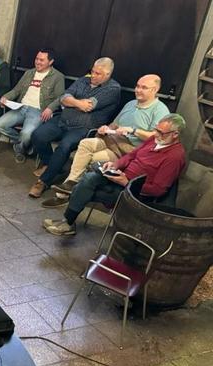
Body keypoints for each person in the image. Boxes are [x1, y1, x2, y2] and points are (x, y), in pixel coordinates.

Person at [43, 114, 186, 236]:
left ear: (175, 134)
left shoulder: (174, 157)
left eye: (162, 133)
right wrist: (115, 165)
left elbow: (158, 190)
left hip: (134, 192)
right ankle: (68, 221)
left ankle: (68, 222)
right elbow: (131, 155)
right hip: (121, 177)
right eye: (156, 130)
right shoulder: (154, 140)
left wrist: (126, 182)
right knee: (90, 177)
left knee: (83, 189)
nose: (157, 134)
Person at [44, 74, 170, 207]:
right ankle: (70, 186)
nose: (138, 90)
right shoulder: (131, 104)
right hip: (113, 142)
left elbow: (157, 138)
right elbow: (114, 125)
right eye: (137, 86)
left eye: (144, 87)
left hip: (130, 152)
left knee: (93, 158)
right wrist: (105, 128)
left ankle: (68, 195)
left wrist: (133, 131)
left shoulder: (160, 111)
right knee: (85, 143)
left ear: (155, 90)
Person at [29, 57, 121, 198]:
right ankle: (51, 164)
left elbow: (89, 105)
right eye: (93, 72)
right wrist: (78, 103)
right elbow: (63, 98)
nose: (93, 76)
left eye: (98, 74)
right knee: (38, 135)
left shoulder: (113, 89)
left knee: (65, 146)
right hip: (63, 120)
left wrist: (71, 101)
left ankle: (43, 182)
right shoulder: (83, 80)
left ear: (108, 75)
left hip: (84, 128)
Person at [0, 49, 65, 163]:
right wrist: (6, 97)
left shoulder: (57, 77)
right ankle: (26, 143)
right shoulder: (29, 73)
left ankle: (20, 149)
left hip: (38, 111)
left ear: (50, 62)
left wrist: (50, 108)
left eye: (42, 60)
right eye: (37, 59)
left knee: (27, 133)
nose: (38, 62)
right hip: (21, 107)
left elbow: (60, 97)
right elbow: (16, 90)